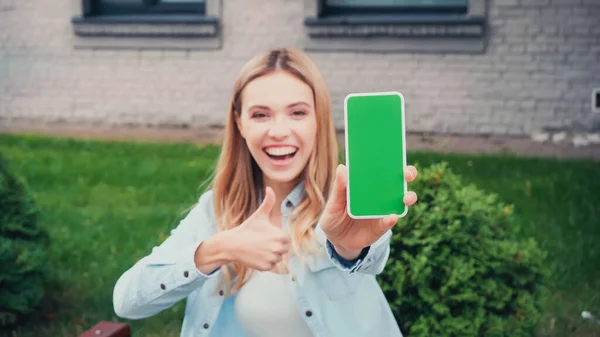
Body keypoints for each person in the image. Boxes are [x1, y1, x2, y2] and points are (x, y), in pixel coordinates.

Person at [112, 47, 419, 337]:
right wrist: (218, 249)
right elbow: (127, 301)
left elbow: (371, 256)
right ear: (240, 123)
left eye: (297, 113)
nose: (279, 131)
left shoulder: (344, 202)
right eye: (260, 115)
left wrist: (349, 251)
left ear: (318, 120)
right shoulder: (216, 211)